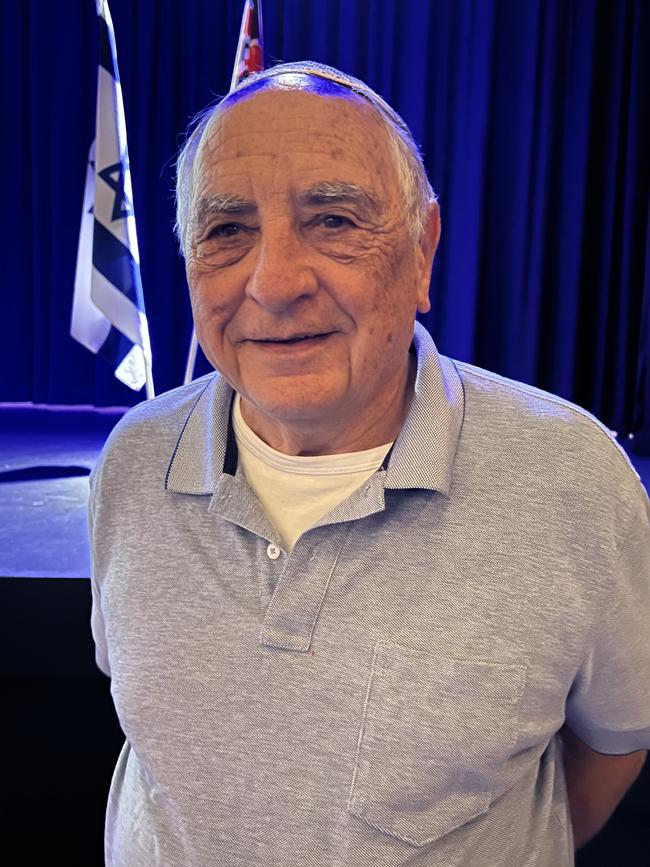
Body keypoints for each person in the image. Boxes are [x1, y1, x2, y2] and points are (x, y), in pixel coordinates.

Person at [89, 61, 650, 866]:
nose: (273, 283)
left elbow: (613, 749)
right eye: (226, 231)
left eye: (334, 220)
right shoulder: (134, 463)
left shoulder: (574, 480)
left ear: (422, 252)